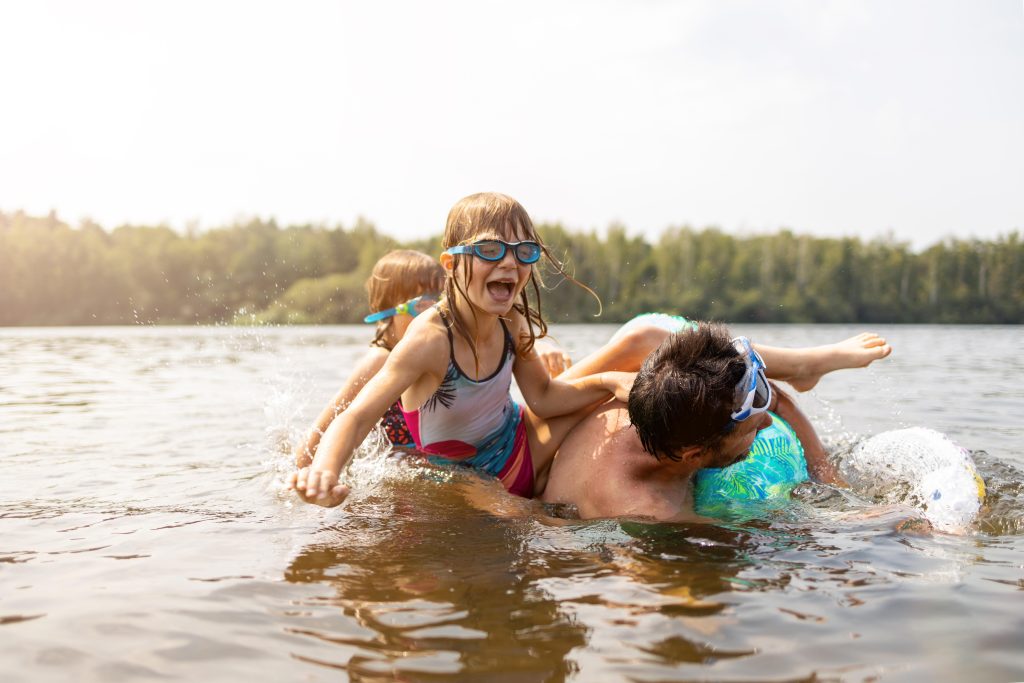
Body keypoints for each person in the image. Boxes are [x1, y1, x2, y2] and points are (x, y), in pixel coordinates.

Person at [289, 192, 638, 507]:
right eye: (490, 249)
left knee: (633, 363)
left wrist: (608, 382)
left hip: (521, 446)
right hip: (469, 480)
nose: (509, 263)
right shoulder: (429, 341)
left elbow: (544, 397)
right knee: (531, 532)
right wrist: (324, 471)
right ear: (451, 265)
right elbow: (356, 416)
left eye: (524, 251)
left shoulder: (512, 319)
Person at [541, 322, 875, 522]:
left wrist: (831, 481)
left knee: (654, 337)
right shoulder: (649, 511)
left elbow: (775, 398)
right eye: (752, 429)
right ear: (694, 456)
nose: (768, 425)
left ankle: (804, 365)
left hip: (648, 337)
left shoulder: (667, 391)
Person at [294, 250, 445, 467]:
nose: (432, 317)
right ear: (387, 311)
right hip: (390, 471)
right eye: (422, 306)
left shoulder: (427, 358)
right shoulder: (380, 361)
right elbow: (323, 430)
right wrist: (307, 475)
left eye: (438, 304)